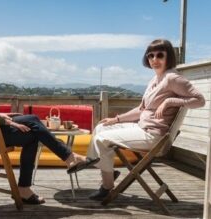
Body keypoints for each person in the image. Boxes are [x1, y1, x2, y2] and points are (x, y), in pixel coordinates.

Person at [0, 28, 99, 205]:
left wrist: (3, 115)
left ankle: (66, 160)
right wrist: (6, 121)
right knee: (32, 135)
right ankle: (54, 168)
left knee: (31, 120)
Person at [83, 39, 205, 201]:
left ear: (169, 57)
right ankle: (107, 171)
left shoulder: (173, 78)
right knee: (101, 127)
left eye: (160, 55)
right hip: (143, 128)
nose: (154, 59)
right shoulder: (155, 80)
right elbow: (141, 110)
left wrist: (170, 101)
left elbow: (200, 100)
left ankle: (107, 185)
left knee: (101, 139)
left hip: (154, 136)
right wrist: (116, 119)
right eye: (150, 56)